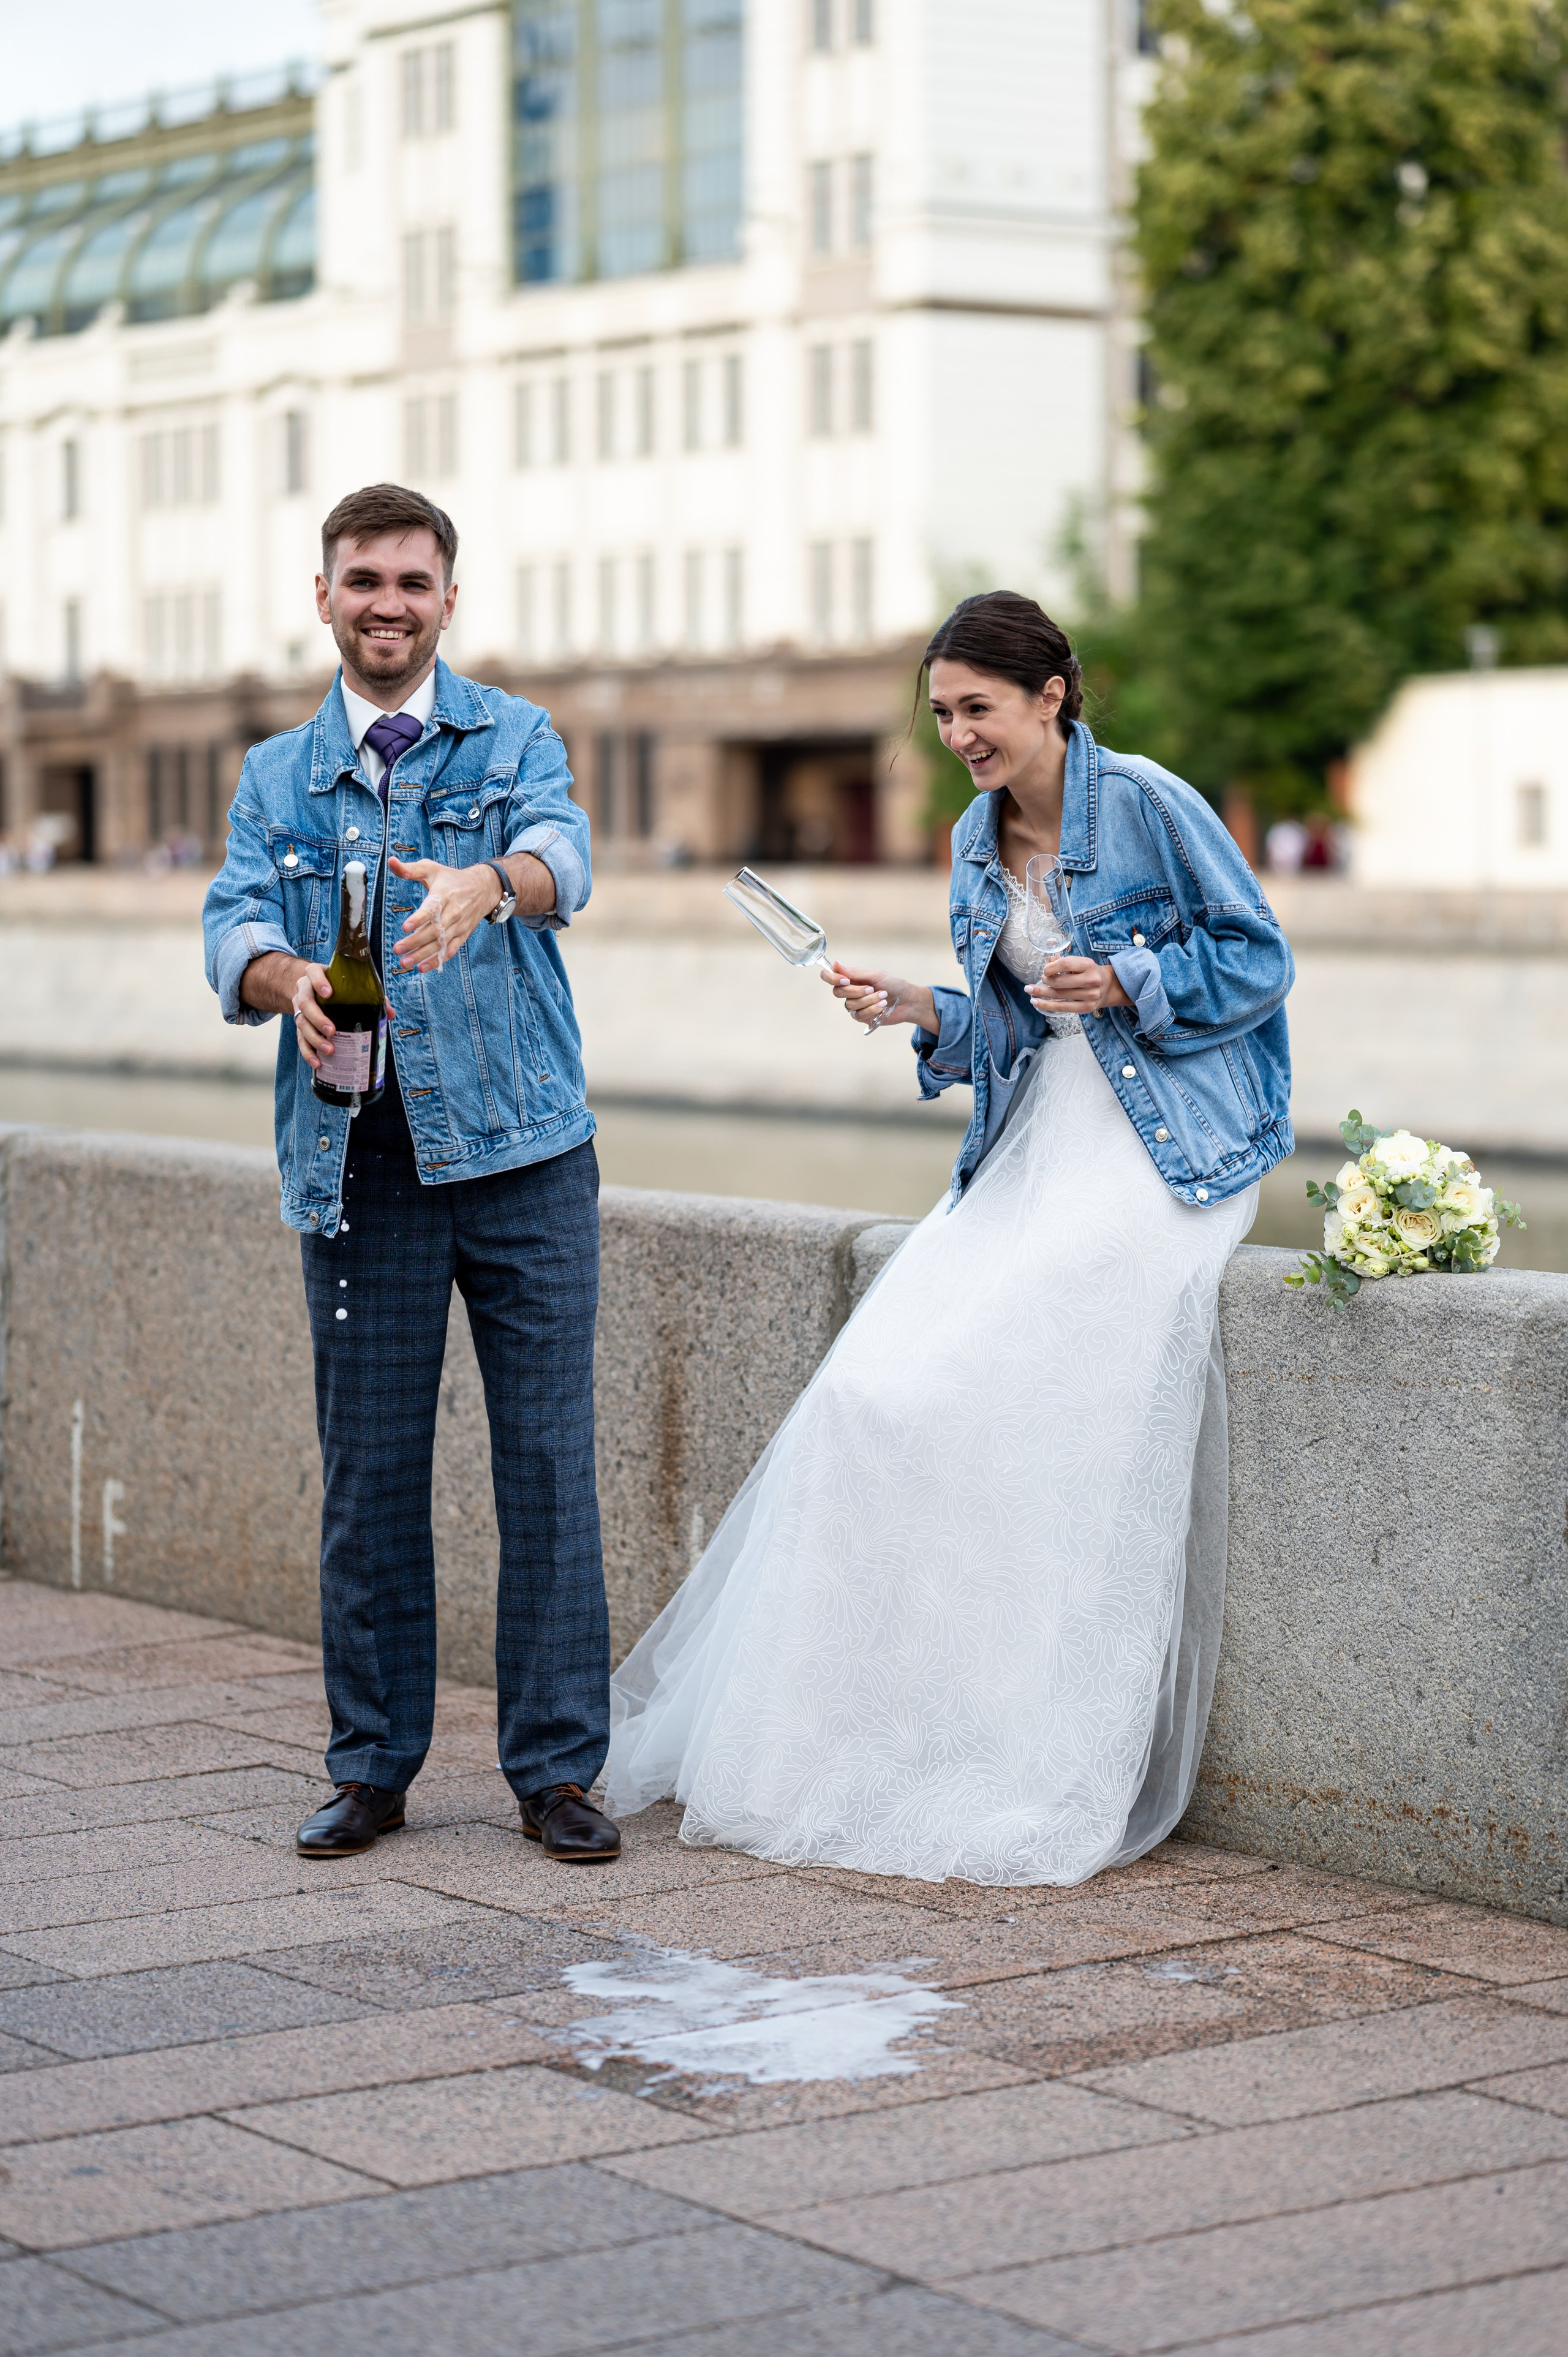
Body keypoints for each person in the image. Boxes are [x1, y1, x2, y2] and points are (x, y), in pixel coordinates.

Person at [603, 592, 1294, 1886]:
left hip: (1168, 1147)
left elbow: (1260, 962)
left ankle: (1025, 1749)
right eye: (940, 713)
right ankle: (884, 1734)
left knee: (1019, 1392)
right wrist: (920, 1007)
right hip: (1038, 1144)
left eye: (977, 707)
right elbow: (1016, 1033)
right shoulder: (975, 840)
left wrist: (1129, 981)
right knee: (869, 1396)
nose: (958, 733)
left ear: (1051, 696)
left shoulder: (1148, 802)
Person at [202, 482, 620, 1866]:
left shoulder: (516, 735)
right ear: (324, 596)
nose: (388, 604)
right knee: (370, 1479)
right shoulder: (275, 773)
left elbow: (565, 857)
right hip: (359, 1166)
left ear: (448, 599)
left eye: (412, 582)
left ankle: (557, 1774)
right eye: (364, 580)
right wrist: (287, 981)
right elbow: (231, 924)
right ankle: (372, 1768)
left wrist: (490, 884)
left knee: (547, 1468)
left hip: (524, 1155)